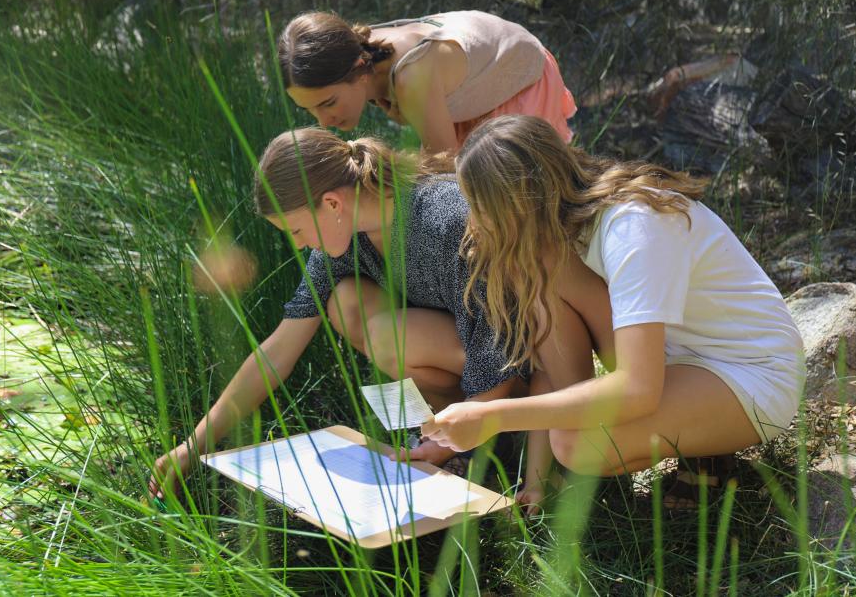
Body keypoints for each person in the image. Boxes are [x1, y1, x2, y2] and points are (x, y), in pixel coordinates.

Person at [149, 126, 613, 502]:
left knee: (385, 332)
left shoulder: (442, 218)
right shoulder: (340, 241)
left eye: (295, 229)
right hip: (468, 354)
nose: (298, 244)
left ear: (331, 203)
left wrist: (454, 433)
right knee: (347, 303)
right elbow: (277, 352)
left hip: (526, 357)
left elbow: (498, 343)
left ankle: (471, 437)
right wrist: (195, 444)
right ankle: (443, 433)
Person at [422, 115, 805, 507]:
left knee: (574, 441)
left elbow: (638, 389)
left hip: (753, 375)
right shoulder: (562, 238)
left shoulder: (632, 228)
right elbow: (557, 369)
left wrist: (495, 416)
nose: (473, 222)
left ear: (516, 203)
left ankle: (707, 446)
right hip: (682, 362)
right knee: (543, 282)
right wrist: (538, 474)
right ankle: (582, 471)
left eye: (479, 205)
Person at [277, 10, 576, 162]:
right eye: (310, 110)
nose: (324, 122)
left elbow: (445, 176)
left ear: (358, 68)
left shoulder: (410, 78)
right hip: (472, 83)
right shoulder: (365, 47)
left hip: (518, 79)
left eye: (328, 103)